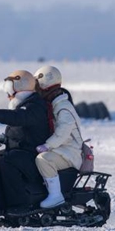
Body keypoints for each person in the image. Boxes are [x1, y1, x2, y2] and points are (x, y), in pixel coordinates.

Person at [0, 69, 52, 212]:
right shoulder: (25, 105)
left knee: (8, 161)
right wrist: (3, 138)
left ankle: (18, 206)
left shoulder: (35, 106)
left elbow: (18, 118)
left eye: (10, 91)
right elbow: (20, 130)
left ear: (20, 89)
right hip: (21, 150)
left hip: (33, 154)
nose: (8, 96)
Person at [33, 65, 84, 208]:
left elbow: (63, 132)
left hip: (69, 153)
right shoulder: (55, 105)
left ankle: (56, 196)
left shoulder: (63, 107)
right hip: (62, 150)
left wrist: (47, 145)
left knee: (43, 159)